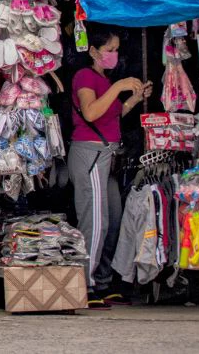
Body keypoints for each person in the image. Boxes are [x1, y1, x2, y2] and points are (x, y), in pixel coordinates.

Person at [69, 28, 150, 309]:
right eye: (110, 50)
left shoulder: (104, 79)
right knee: (95, 221)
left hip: (108, 156)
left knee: (113, 220)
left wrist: (134, 99)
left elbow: (112, 114)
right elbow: (90, 112)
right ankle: (85, 284)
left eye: (116, 50)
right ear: (93, 51)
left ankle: (103, 282)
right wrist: (119, 86)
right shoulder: (85, 77)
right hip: (89, 154)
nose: (114, 55)